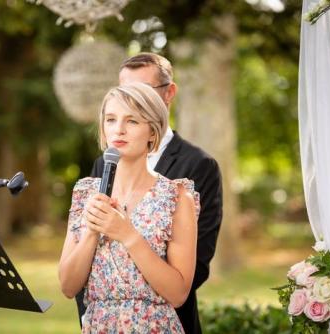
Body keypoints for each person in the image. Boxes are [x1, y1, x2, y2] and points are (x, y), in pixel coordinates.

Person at [76, 53, 223, 334]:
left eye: (141, 91)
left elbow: (197, 262)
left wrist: (138, 309)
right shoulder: (102, 164)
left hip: (162, 319)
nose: (130, 101)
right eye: (124, 90)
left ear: (168, 93)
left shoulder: (198, 166)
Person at [59, 82, 200, 333]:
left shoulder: (177, 198)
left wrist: (127, 234)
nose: (119, 130)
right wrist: (92, 231)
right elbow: (68, 287)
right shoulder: (85, 193)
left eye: (132, 121)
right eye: (111, 120)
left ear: (153, 132)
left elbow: (178, 294)